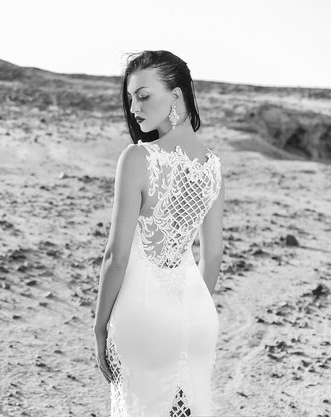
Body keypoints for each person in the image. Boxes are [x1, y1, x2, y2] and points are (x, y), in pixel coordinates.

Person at [92, 50, 225, 416]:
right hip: (198, 317)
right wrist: (186, 315)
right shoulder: (211, 165)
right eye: (130, 97)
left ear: (177, 96)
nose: (134, 106)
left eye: (144, 95)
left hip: (144, 316)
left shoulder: (137, 159)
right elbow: (212, 255)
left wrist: (100, 326)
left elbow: (115, 258)